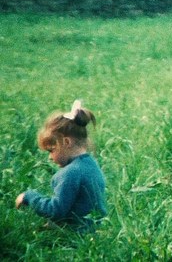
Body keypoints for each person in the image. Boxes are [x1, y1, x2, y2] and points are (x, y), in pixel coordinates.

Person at [16, 99, 107, 232]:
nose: (50, 157)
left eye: (51, 150)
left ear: (66, 142)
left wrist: (29, 197)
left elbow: (55, 211)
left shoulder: (70, 173)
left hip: (77, 231)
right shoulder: (91, 165)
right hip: (96, 227)